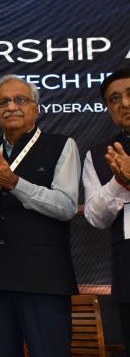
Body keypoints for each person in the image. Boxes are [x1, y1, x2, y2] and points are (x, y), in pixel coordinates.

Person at [0, 75, 80, 357]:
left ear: (36, 108)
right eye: (3, 102)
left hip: (43, 279)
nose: (11, 107)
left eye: (20, 100)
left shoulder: (61, 145)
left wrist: (14, 183)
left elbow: (66, 206)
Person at [82, 67, 130, 352]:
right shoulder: (99, 154)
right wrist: (119, 182)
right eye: (114, 99)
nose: (124, 103)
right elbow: (95, 217)